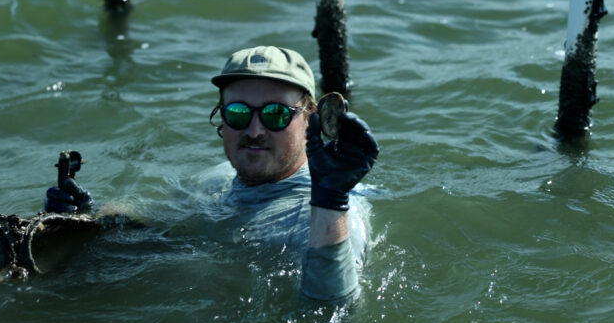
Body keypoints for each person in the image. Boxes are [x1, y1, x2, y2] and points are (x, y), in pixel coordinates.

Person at [46, 46, 379, 302]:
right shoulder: (217, 178)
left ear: (311, 119)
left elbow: (332, 314)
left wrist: (330, 203)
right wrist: (84, 219)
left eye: (276, 114)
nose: (255, 130)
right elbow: (155, 230)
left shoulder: (329, 213)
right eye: (237, 113)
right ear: (221, 118)